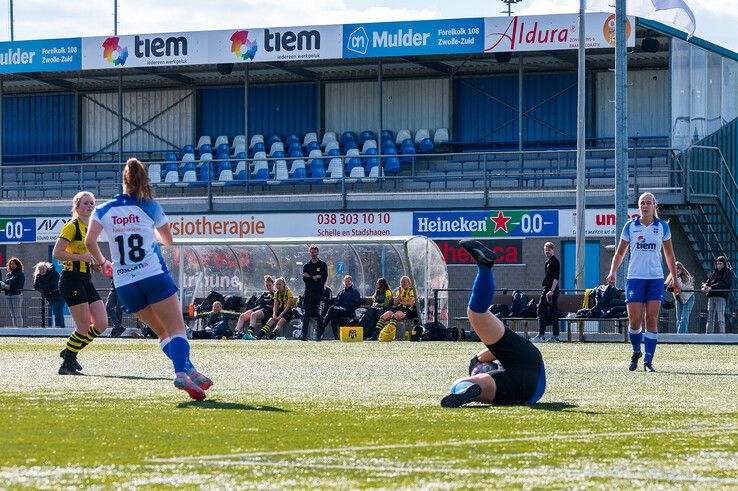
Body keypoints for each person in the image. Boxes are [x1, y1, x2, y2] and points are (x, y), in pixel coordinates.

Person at [85, 158, 211, 400]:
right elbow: (167, 240)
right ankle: (180, 372)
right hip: (152, 274)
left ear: (123, 181)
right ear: (144, 180)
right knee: (177, 329)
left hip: (124, 283)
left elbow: (90, 242)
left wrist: (102, 262)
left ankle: (190, 371)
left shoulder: (104, 209)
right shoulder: (150, 205)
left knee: (162, 332)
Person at [440, 239, 546, 407]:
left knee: (471, 385)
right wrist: (475, 359)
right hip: (529, 366)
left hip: (525, 387)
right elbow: (487, 354)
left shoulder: (497, 371)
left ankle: (466, 389)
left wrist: (477, 361)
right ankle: (484, 266)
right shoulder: (492, 359)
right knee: (477, 313)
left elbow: (490, 355)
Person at [606, 192, 679, 372]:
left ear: (654, 206)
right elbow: (620, 253)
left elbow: (669, 254)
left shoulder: (662, 227)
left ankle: (648, 361)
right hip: (635, 278)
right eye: (642, 203)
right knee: (635, 321)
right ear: (639, 206)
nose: (645, 206)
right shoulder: (630, 226)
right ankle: (636, 351)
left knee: (652, 319)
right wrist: (612, 271)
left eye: (648, 203)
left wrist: (675, 279)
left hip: (654, 278)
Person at [54, 191, 109, 375]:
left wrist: (95, 265)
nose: (90, 206)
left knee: (101, 324)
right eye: (86, 203)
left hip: (86, 279)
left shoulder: (91, 228)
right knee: (83, 327)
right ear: (77, 207)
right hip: (71, 279)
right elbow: (57, 253)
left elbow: (89, 257)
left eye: (92, 203)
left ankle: (70, 351)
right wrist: (81, 257)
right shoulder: (72, 226)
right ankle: (67, 364)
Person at [532, 242, 560, 343]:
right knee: (550, 311)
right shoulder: (547, 262)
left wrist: (551, 291)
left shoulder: (555, 262)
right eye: (546, 250)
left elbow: (556, 278)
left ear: (553, 250)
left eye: (549, 250)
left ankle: (543, 336)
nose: (547, 252)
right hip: (548, 288)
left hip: (551, 290)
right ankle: (554, 336)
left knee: (542, 309)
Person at [376, 275, 416, 342]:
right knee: (383, 317)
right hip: (398, 308)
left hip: (407, 309)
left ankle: (389, 335)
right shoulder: (400, 291)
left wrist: (402, 302)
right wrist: (400, 294)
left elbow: (410, 303)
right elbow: (395, 303)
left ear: (409, 283)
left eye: (404, 282)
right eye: (401, 282)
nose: (402, 284)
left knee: (395, 316)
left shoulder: (411, 290)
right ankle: (375, 335)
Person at [321, 275, 362, 340]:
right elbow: (337, 301)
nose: (347, 283)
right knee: (333, 314)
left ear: (352, 282)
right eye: (346, 281)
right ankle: (336, 336)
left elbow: (357, 304)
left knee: (332, 309)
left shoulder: (355, 292)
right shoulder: (341, 292)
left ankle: (321, 329)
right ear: (343, 282)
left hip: (348, 310)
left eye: (349, 281)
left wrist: (346, 306)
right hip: (340, 310)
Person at [701, 256, 734, 334]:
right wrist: (703, 287)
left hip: (720, 297)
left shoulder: (728, 272)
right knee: (710, 318)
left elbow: (723, 284)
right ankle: (708, 335)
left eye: (720, 264)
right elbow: (707, 282)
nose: (718, 265)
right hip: (711, 297)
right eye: (717, 264)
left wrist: (711, 287)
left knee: (720, 319)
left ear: (724, 264)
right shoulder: (715, 272)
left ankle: (722, 336)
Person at [237, 275, 275, 340]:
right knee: (242, 316)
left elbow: (274, 305)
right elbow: (258, 303)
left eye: (269, 285)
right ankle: (236, 333)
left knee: (253, 315)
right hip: (259, 308)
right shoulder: (264, 294)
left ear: (273, 284)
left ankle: (249, 334)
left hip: (267, 310)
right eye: (267, 285)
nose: (268, 287)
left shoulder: (275, 294)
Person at [301, 244, 327, 341]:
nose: (313, 254)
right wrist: (314, 277)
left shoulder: (323, 265)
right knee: (306, 314)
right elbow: (305, 279)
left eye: (315, 252)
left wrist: (312, 276)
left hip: (319, 293)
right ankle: (303, 334)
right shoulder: (306, 266)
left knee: (320, 314)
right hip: (309, 293)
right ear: (309, 253)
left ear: (318, 253)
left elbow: (323, 278)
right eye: (312, 252)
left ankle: (319, 335)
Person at [665, 261, 694, 334]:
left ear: (682, 269)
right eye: (675, 269)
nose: (677, 270)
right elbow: (667, 286)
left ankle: (679, 336)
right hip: (679, 299)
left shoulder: (686, 276)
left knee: (684, 318)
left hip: (688, 298)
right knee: (679, 318)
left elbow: (680, 287)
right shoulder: (671, 277)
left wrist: (676, 279)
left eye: (679, 268)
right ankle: (684, 335)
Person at [33, 261, 65, 328]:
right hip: (50, 297)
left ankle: (59, 329)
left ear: (46, 268)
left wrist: (43, 286)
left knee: (57, 313)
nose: (41, 271)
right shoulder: (38, 276)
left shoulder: (54, 273)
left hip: (59, 296)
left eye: (43, 269)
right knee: (57, 313)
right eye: (40, 270)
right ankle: (61, 328)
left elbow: (54, 284)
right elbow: (36, 286)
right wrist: (46, 287)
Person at [2, 257, 26, 327]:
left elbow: (20, 286)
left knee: (17, 314)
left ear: (17, 265)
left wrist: (10, 287)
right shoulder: (8, 274)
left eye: (14, 264)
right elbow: (5, 283)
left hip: (16, 296)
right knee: (12, 314)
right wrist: (3, 285)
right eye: (11, 264)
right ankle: (15, 328)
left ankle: (20, 329)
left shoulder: (20, 274)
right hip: (8, 295)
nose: (12, 265)